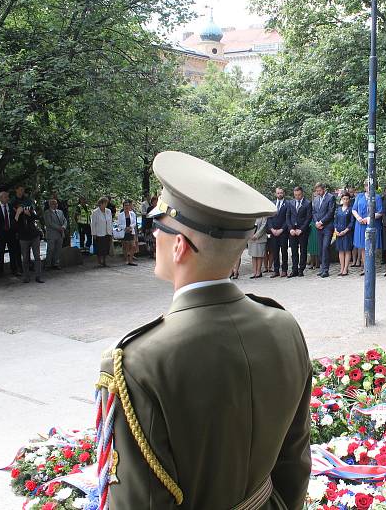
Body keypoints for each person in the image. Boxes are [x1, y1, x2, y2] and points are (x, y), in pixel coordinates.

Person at [94, 151, 311, 509]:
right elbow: (295, 463)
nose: (153, 236)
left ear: (179, 245)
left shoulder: (139, 361)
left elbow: (140, 501)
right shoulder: (283, 325)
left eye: (158, 227)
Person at [351, 181, 383, 276]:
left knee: (371, 246)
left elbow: (380, 212)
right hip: (360, 224)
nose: (368, 187)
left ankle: (371, 266)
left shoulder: (377, 197)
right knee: (362, 247)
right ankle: (366, 267)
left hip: (372, 224)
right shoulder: (359, 196)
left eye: (370, 186)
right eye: (366, 186)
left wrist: (368, 218)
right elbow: (354, 209)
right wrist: (359, 218)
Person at [0, 191, 21, 277]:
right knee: (0, 253)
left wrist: (16, 232)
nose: (7, 198)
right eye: (5, 197)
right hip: (1, 234)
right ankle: (0, 271)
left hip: (11, 233)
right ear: (0, 198)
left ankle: (14, 270)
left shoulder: (11, 207)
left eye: (8, 197)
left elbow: (16, 221)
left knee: (13, 252)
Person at [285, 186, 312, 277]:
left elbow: (308, 218)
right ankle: (294, 270)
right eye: (295, 195)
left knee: (303, 250)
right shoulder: (290, 203)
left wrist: (301, 229)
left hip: (302, 231)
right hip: (292, 230)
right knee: (293, 251)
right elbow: (287, 216)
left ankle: (301, 269)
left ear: (302, 193)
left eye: (299, 195)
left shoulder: (308, 203)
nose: (297, 197)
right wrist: (290, 229)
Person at [14, 202, 44, 283]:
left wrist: (29, 214)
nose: (22, 209)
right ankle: (26, 277)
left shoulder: (29, 212)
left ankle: (38, 276)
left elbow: (36, 218)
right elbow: (14, 225)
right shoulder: (15, 215)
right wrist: (17, 214)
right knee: (25, 258)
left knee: (37, 257)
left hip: (34, 236)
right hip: (23, 238)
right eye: (20, 208)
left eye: (23, 207)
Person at [312, 183, 336, 278]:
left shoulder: (330, 198)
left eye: (319, 191)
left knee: (326, 247)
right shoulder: (316, 199)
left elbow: (331, 212)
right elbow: (313, 212)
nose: (318, 192)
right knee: (321, 248)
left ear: (323, 189)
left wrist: (321, 222)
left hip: (327, 226)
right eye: (317, 191)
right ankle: (322, 268)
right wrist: (316, 222)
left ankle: (326, 269)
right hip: (318, 227)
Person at [266, 187, 289, 278]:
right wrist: (271, 229)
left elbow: (288, 219)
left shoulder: (287, 204)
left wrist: (281, 229)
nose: (279, 194)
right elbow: (269, 218)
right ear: (275, 194)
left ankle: (284, 270)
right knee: (275, 251)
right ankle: (276, 270)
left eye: (281, 193)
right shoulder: (272, 204)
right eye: (278, 193)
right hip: (273, 232)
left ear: (283, 193)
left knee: (284, 251)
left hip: (283, 232)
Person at [43, 198, 68, 270]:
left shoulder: (60, 212)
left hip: (60, 234)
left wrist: (63, 227)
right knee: (50, 249)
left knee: (58, 249)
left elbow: (64, 220)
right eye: (53, 204)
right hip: (52, 234)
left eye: (56, 203)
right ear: (50, 205)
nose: (55, 205)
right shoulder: (47, 212)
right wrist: (59, 228)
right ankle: (48, 264)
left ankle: (56, 263)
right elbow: (49, 223)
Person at [333, 192, 354, 276]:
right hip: (338, 232)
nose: (345, 200)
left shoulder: (351, 209)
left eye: (347, 199)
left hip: (347, 232)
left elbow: (352, 222)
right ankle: (341, 268)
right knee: (341, 250)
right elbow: (335, 221)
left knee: (347, 250)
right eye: (344, 199)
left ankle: (346, 268)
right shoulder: (338, 209)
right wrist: (335, 230)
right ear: (341, 199)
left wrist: (345, 231)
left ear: (349, 200)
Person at [90, 197, 113, 268]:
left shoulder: (108, 211)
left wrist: (111, 232)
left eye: (107, 203)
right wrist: (94, 233)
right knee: (100, 248)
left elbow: (110, 222)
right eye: (105, 203)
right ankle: (99, 261)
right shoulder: (95, 212)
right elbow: (93, 224)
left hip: (107, 232)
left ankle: (104, 261)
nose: (106, 204)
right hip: (99, 233)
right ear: (101, 203)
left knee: (106, 247)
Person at [116, 200, 138, 266]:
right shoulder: (120, 215)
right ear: (123, 206)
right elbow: (119, 224)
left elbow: (134, 222)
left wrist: (130, 227)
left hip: (131, 231)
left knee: (133, 246)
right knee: (125, 246)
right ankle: (126, 260)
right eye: (125, 205)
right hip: (124, 232)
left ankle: (130, 260)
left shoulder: (132, 214)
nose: (127, 207)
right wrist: (125, 227)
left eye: (128, 205)